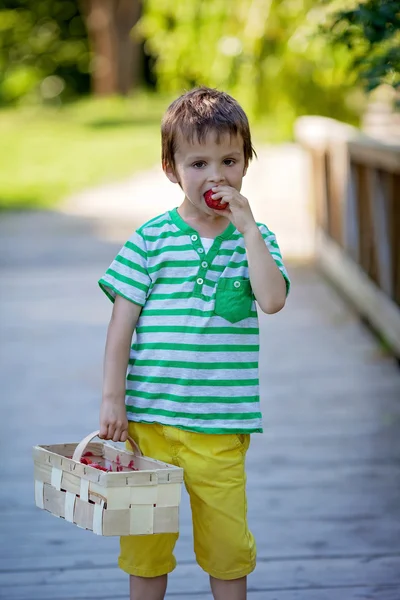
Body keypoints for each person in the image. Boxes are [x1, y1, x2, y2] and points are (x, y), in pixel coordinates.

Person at [98, 86, 290, 600]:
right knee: (146, 547)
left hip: (220, 424)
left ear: (246, 165)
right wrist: (113, 398)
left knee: (227, 549)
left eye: (229, 161)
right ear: (171, 168)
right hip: (150, 424)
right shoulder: (149, 240)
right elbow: (122, 325)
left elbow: (272, 301)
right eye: (199, 163)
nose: (216, 176)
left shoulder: (259, 239)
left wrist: (248, 229)